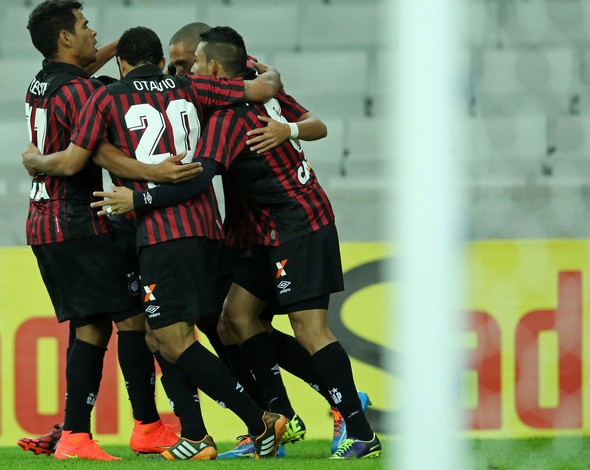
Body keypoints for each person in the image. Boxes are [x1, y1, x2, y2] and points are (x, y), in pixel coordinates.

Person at [91, 26, 381, 460]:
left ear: (210, 67)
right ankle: (277, 421)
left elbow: (204, 175)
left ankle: (357, 427)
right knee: (235, 319)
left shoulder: (228, 115)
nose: (178, 72)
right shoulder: (248, 89)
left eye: (187, 63)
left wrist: (139, 195)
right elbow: (273, 89)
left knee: (308, 328)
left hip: (297, 224)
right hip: (256, 231)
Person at [23, 25, 288, 460]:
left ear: (122, 63)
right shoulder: (188, 84)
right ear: (160, 60)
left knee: (169, 338)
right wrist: (264, 71)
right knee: (167, 335)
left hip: (160, 231)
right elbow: (260, 90)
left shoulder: (106, 98)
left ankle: (259, 419)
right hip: (208, 226)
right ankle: (199, 435)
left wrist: (35, 159)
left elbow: (75, 159)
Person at [15, 0, 200, 461]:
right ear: (64, 37)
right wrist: (154, 175)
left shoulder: (44, 81)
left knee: (91, 326)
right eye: (84, 26)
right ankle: (146, 426)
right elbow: (96, 152)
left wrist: (124, 41)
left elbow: (80, 74)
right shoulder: (79, 93)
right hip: (78, 219)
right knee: (134, 318)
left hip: (47, 222)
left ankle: (76, 434)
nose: (91, 32)